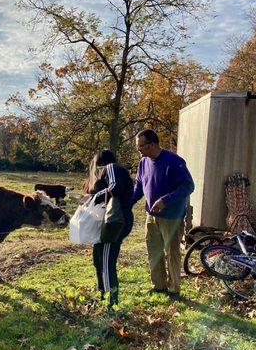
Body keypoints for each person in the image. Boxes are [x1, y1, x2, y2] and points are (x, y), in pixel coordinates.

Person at [132, 129, 194, 300]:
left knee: (171, 253)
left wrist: (166, 200)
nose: (139, 151)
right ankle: (159, 286)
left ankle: (174, 289)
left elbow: (188, 186)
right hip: (151, 216)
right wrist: (126, 204)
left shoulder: (174, 161)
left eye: (140, 147)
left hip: (172, 217)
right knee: (154, 251)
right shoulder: (143, 162)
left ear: (152, 144)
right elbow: (138, 187)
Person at [83, 150, 134, 307]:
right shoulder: (112, 171)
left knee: (106, 261)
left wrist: (93, 197)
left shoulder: (111, 167)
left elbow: (115, 187)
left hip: (113, 221)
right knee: (98, 259)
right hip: (108, 222)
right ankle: (103, 295)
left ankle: (112, 302)